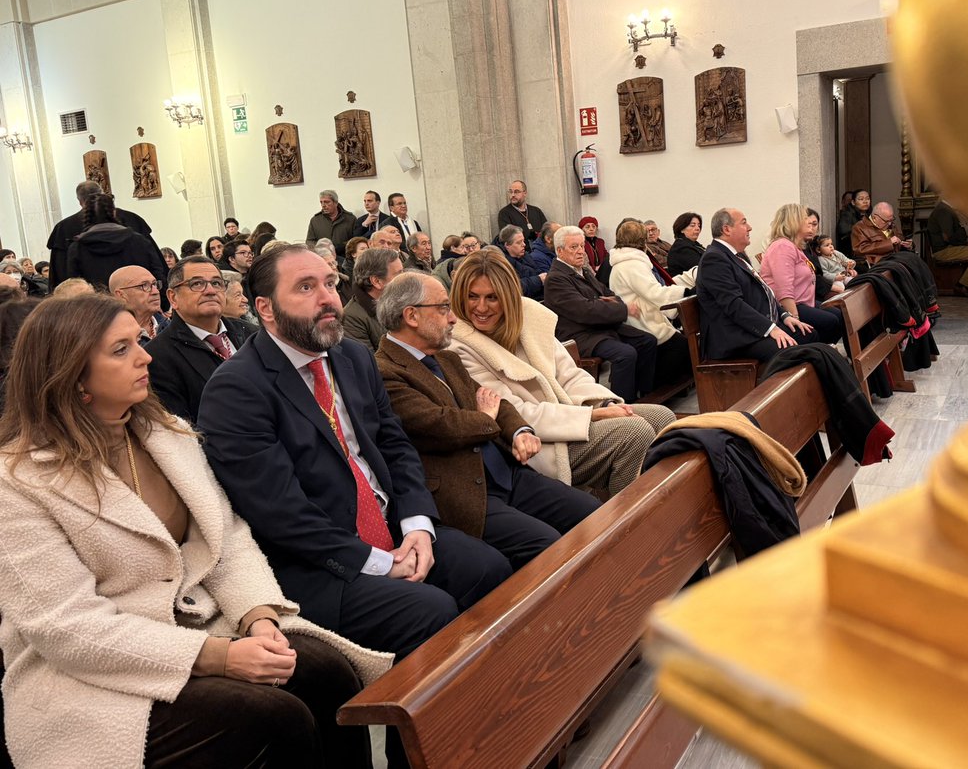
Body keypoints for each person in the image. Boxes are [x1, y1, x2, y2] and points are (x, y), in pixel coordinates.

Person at [0, 294, 388, 769]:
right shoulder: (18, 481)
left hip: (200, 625)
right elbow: (65, 627)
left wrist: (258, 616)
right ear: (71, 374)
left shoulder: (166, 434)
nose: (146, 355)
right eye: (120, 350)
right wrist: (216, 656)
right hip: (95, 672)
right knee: (271, 718)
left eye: (138, 341)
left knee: (326, 673)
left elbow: (227, 539)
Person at [196, 245, 511, 769]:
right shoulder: (237, 388)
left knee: (490, 569)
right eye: (305, 288)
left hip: (388, 526)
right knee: (428, 612)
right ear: (265, 308)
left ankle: (483, 731)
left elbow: (394, 447)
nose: (328, 299)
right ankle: (424, 754)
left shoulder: (352, 357)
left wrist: (416, 526)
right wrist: (383, 564)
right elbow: (281, 515)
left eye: (329, 282)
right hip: (314, 561)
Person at [374, 272, 599, 569]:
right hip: (466, 492)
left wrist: (519, 430)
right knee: (547, 545)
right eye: (443, 308)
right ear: (412, 316)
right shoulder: (384, 371)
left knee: (594, 515)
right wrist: (485, 418)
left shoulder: (446, 358)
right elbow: (443, 426)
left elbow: (495, 401)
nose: (454, 318)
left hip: (508, 473)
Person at [448, 251, 674, 499]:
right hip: (538, 442)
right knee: (633, 434)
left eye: (492, 298)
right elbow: (513, 412)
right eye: (472, 297)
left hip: (566, 417)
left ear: (508, 298)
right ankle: (626, 526)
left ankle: (661, 506)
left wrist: (603, 402)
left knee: (662, 417)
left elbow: (569, 375)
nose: (481, 307)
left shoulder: (528, 320)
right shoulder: (459, 345)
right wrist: (591, 415)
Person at [543, 225, 659, 403]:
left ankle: (646, 397)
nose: (581, 251)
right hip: (579, 335)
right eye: (574, 247)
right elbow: (585, 310)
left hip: (600, 327)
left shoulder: (582, 271)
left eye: (582, 246)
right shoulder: (557, 278)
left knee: (647, 341)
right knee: (625, 354)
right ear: (559, 251)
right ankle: (622, 404)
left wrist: (607, 303)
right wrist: (623, 308)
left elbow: (610, 294)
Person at [145, 256, 256, 425]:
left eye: (217, 283)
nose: (210, 290)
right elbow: (184, 430)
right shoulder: (158, 357)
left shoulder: (251, 333)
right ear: (173, 297)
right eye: (197, 284)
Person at [696, 207, 817, 362]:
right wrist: (771, 329)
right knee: (793, 352)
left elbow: (764, 291)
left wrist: (784, 315)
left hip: (751, 328)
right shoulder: (714, 259)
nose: (750, 227)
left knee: (809, 334)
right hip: (735, 338)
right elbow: (733, 305)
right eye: (744, 223)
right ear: (726, 229)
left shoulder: (737, 255)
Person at [606, 219, 695, 389]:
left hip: (643, 315)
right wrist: (684, 292)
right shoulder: (631, 264)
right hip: (641, 320)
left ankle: (671, 386)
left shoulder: (628, 261)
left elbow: (653, 288)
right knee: (682, 347)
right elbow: (654, 292)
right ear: (641, 240)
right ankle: (656, 388)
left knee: (682, 344)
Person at [45, 180, 156, 291]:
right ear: (102, 193)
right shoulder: (133, 222)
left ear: (79, 200)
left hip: (94, 304)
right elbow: (156, 266)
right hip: (139, 297)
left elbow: (61, 276)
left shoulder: (64, 230)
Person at [758, 204, 844, 345]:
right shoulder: (782, 246)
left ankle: (833, 355)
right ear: (794, 222)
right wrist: (795, 319)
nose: (809, 222)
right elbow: (784, 291)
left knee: (839, 315)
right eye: (804, 219)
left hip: (804, 302)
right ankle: (821, 354)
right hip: (790, 306)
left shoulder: (795, 247)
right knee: (831, 321)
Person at [65, 193, 167, 295]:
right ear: (113, 212)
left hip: (98, 306)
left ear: (85, 215)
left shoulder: (77, 248)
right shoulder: (139, 241)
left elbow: (76, 285)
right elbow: (157, 274)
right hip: (139, 302)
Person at [928, 197, 968, 296]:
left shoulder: (947, 209)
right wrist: (967, 243)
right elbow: (948, 237)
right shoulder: (943, 211)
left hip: (950, 246)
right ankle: (963, 286)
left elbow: (956, 232)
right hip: (944, 250)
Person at [343, 247, 403, 350]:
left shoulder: (402, 301)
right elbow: (368, 362)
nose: (405, 278)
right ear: (376, 281)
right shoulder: (351, 318)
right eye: (398, 274)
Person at [109, 265, 169, 343]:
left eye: (154, 284)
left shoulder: (171, 326)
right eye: (144, 285)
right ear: (121, 295)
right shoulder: (112, 339)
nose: (156, 292)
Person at [851, 201, 913, 266]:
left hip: (896, 261)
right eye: (886, 221)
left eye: (891, 220)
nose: (889, 223)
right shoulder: (860, 227)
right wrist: (889, 243)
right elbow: (860, 250)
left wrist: (908, 245)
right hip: (878, 265)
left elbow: (900, 239)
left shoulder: (891, 225)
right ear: (875, 218)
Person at [499, 223, 546, 299]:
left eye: (523, 241)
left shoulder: (526, 255)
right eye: (519, 242)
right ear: (507, 245)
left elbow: (538, 272)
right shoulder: (502, 263)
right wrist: (538, 280)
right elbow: (513, 288)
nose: (524, 244)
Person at [305, 189, 356, 257]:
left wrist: (338, 247)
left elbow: (355, 241)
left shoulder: (350, 219)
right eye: (321, 202)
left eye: (327, 202)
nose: (323, 205)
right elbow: (309, 242)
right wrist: (322, 249)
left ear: (336, 203)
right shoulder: (315, 220)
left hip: (344, 259)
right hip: (323, 259)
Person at [496, 179, 548, 244]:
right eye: (510, 192)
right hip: (521, 252)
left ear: (525, 193)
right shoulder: (504, 213)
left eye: (516, 192)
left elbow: (546, 232)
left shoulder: (536, 211)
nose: (513, 195)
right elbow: (508, 238)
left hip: (540, 250)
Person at [667, 211, 706, 275]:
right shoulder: (681, 248)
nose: (697, 228)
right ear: (681, 229)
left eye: (699, 225)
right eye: (692, 225)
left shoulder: (694, 244)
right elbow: (703, 268)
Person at [837, 189, 871, 258]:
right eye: (861, 199)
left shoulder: (872, 214)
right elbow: (843, 230)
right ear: (853, 202)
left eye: (867, 198)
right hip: (852, 253)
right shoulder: (847, 214)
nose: (865, 201)